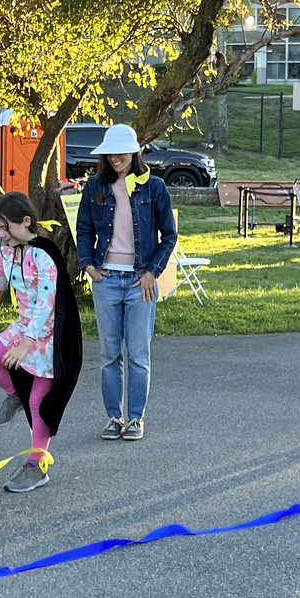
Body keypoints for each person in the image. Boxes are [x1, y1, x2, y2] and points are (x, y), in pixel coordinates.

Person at [0, 191, 81, 495]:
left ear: (26, 221)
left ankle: (36, 466)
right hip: (23, 328)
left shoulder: (44, 254)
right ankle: (15, 392)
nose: (1, 235)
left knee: (39, 405)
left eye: (5, 228)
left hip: (50, 335)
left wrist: (28, 344)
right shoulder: (6, 255)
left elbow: (46, 303)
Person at [73, 124, 178, 442]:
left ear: (135, 153)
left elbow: (169, 235)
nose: (116, 157)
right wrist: (88, 265)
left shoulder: (154, 187)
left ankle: (135, 418)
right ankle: (113, 417)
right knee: (109, 354)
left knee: (138, 354)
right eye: (111, 152)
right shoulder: (95, 186)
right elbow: (85, 228)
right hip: (106, 280)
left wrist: (152, 272)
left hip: (139, 280)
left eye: (122, 151)